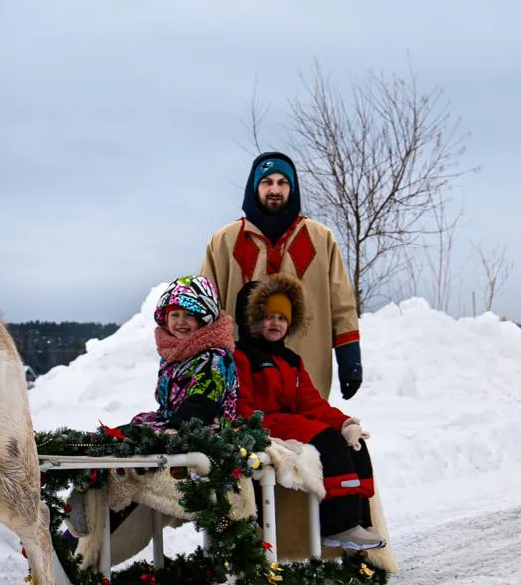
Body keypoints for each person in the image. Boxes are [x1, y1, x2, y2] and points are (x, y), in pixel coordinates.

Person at [232, 276, 385, 551]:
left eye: (282, 317)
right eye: (267, 317)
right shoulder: (241, 356)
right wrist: (260, 431)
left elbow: (312, 403)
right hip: (265, 424)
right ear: (249, 319)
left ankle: (361, 521)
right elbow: (241, 407)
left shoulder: (291, 360)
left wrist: (345, 423)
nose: (275, 323)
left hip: (292, 422)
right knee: (329, 442)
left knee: (354, 444)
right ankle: (339, 526)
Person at [199, 152, 362, 401]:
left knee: (307, 434)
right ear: (255, 187)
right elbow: (205, 307)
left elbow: (342, 305)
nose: (275, 189)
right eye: (267, 182)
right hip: (242, 374)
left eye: (282, 182)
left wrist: (350, 359)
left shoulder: (321, 238)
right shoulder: (224, 241)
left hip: (307, 370)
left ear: (292, 189)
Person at [129, 276, 238, 429]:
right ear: (166, 319)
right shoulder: (173, 355)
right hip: (171, 421)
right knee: (122, 433)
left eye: (189, 315)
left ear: (203, 319)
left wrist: (174, 429)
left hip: (203, 428)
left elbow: (203, 402)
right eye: (175, 315)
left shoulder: (215, 357)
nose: (181, 321)